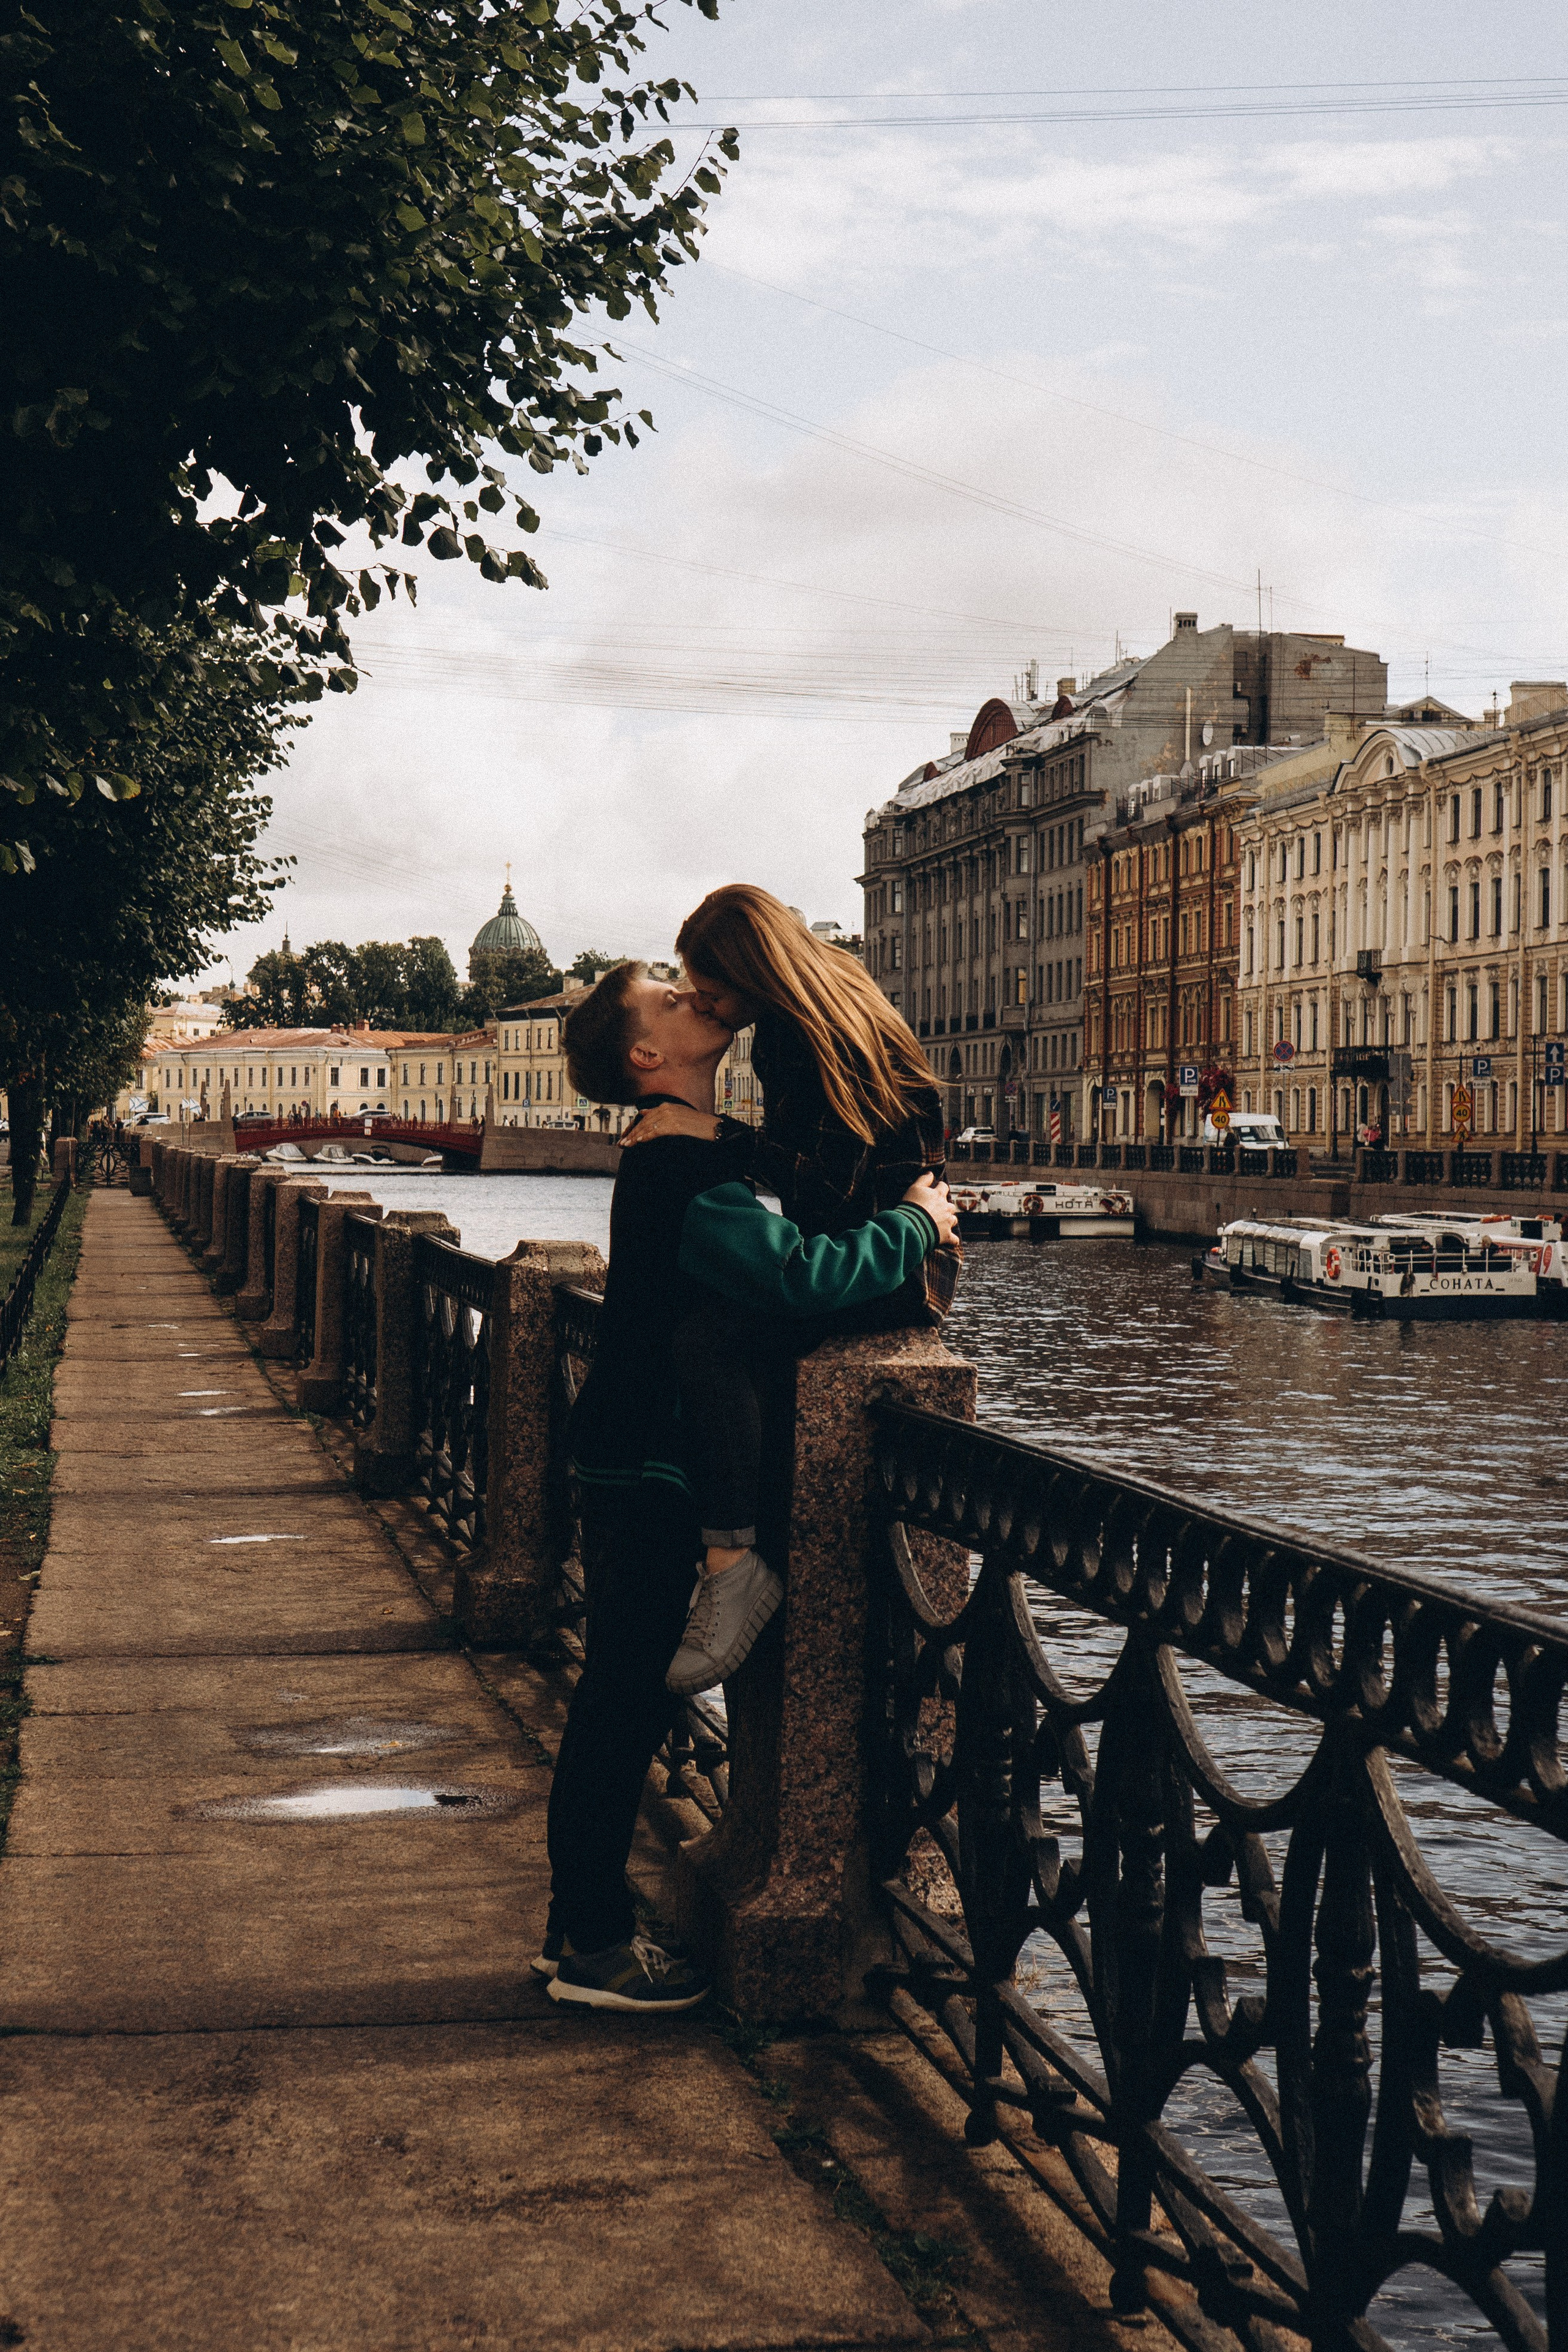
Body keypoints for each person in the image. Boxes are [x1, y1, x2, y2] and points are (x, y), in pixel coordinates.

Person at [541, 962, 956, 2014]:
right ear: (648, 1057)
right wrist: (916, 1225)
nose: (693, 994)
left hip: (632, 1451)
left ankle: (577, 1927)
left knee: (617, 1696)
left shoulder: (686, 1149)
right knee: (620, 1703)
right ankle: (591, 1946)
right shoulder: (681, 1169)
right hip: (646, 1463)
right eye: (668, 995)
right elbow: (794, 1276)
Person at [622, 885, 955, 1687]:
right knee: (720, 1315)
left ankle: (733, 1561)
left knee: (708, 1335)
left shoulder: (801, 1037)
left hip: (892, 1260)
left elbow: (822, 1186)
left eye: (713, 990)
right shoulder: (839, 992)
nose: (706, 1005)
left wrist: (710, 1148)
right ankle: (732, 1552)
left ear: (754, 971)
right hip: (898, 1247)